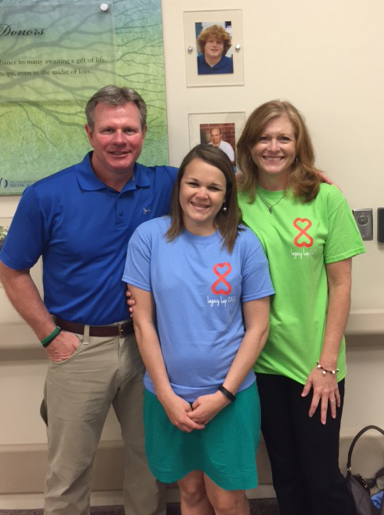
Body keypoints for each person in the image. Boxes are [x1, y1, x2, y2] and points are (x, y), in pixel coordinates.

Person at [0, 85, 178, 515]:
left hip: (148, 347)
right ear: (89, 133)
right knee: (69, 472)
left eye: (130, 129)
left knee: (152, 465)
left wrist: (309, 180)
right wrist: (50, 336)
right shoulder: (47, 195)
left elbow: (234, 184)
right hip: (77, 349)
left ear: (144, 132)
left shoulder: (167, 183)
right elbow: (11, 269)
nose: (120, 139)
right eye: (108, 129)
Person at [122, 145, 274, 515]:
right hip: (168, 397)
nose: (201, 194)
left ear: (227, 196)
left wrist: (223, 394)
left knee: (227, 499)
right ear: (179, 187)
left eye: (214, 187)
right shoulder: (148, 238)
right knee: (189, 493)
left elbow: (258, 328)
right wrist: (167, 396)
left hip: (230, 398)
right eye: (193, 183)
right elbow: (143, 323)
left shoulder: (244, 243)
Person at [236, 100, 365, 515]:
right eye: (264, 138)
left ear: (298, 144)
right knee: (285, 478)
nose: (273, 147)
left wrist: (327, 365)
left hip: (315, 365)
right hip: (260, 364)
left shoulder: (326, 198)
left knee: (322, 478)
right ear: (250, 145)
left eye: (283, 138)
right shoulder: (234, 199)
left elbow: (341, 285)